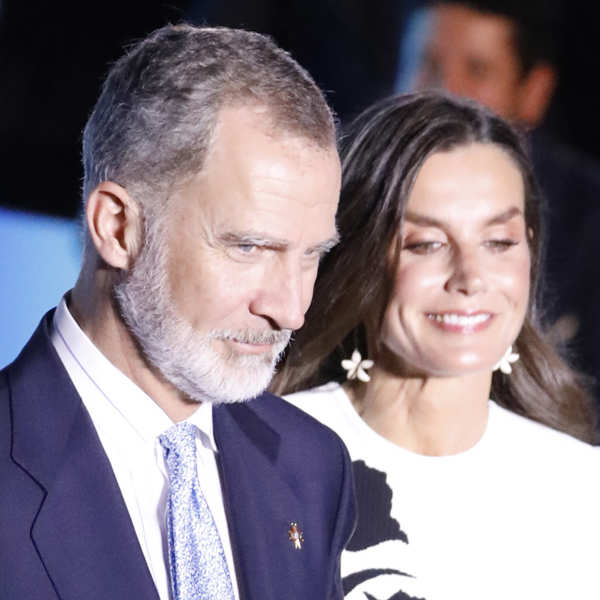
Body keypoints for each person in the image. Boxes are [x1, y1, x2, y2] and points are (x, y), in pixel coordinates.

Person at [0, 24, 356, 600]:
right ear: (118, 228)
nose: (290, 309)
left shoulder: (312, 468)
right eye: (250, 247)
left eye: (311, 255)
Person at [274, 92, 600, 600]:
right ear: (360, 254)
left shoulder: (581, 488)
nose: (470, 278)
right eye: (426, 244)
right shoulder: (267, 458)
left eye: (499, 242)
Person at [405, 0, 600, 399]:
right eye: (429, 64)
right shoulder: (358, 193)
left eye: (477, 70)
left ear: (534, 90)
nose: (445, 93)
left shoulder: (588, 222)